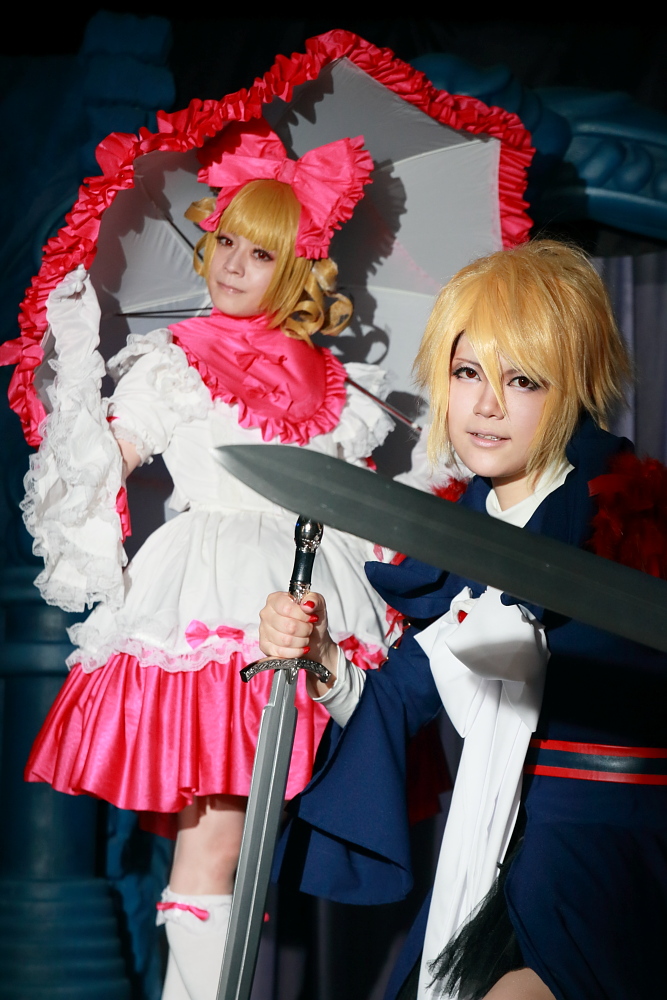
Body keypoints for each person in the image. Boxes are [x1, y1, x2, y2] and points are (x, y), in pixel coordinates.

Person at [22, 119, 395, 1000]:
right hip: (210, 602)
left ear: (296, 267)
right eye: (225, 240)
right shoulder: (174, 360)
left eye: (259, 253)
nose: (231, 264)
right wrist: (73, 385)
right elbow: (103, 463)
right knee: (220, 838)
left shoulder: (333, 384)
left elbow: (359, 513)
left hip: (309, 605)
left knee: (246, 843)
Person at [259, 239, 667, 1000]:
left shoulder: (630, 514)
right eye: (467, 372)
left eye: (522, 380)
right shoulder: (463, 537)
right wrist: (319, 654)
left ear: (573, 386)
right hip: (499, 846)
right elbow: (398, 699)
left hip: (612, 852)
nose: (485, 406)